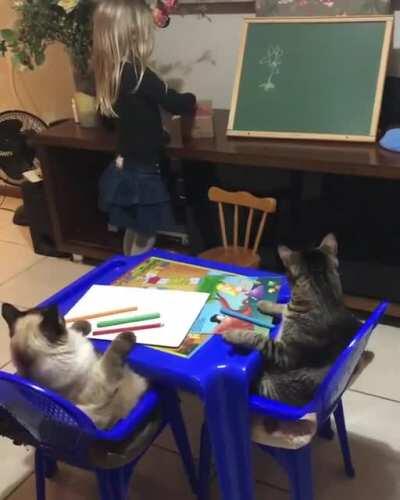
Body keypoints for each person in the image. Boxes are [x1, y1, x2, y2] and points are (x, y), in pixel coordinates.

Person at [92, 0, 196, 255]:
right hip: (143, 169)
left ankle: (126, 267)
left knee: (133, 225)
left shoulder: (111, 73)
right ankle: (134, 277)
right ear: (134, 34)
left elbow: (107, 119)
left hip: (125, 162)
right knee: (146, 232)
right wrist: (192, 100)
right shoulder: (139, 75)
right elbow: (174, 102)